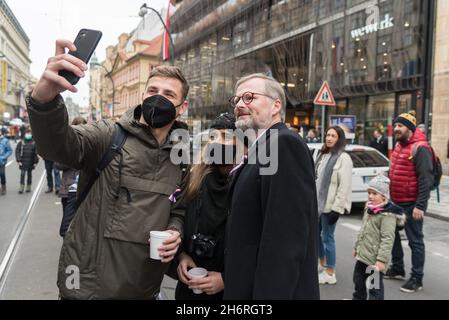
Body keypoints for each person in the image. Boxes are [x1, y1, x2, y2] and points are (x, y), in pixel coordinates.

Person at [26, 39, 189, 299]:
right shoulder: (109, 135)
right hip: (87, 289)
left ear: (183, 108)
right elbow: (58, 146)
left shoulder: (183, 156)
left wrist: (175, 231)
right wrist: (44, 100)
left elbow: (178, 209)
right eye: (152, 90)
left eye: (169, 95)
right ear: (143, 95)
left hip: (145, 290)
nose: (158, 98)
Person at [224, 73, 320, 300]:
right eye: (236, 100)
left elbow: (284, 244)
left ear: (276, 105)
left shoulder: (284, 144)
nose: (239, 104)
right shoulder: (262, 147)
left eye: (249, 97)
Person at [175, 113, 237, 300]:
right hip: (190, 289)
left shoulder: (247, 184)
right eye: (213, 136)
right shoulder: (195, 179)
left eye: (225, 137)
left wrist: (228, 279)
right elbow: (179, 217)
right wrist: (182, 255)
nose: (216, 142)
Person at [386, 111, 434, 293]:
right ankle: (398, 267)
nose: (397, 129)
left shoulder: (420, 148)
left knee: (415, 241)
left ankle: (416, 278)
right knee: (391, 235)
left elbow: (426, 179)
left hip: (412, 203)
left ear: (410, 129)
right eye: (396, 125)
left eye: (401, 126)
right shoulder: (399, 145)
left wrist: (420, 205)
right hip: (396, 200)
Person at [352, 175, 405, 300]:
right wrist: (356, 246)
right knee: (358, 280)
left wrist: (381, 260)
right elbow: (363, 230)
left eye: (375, 193)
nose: (370, 196)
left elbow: (388, 239)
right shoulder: (369, 209)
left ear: (384, 196)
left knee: (374, 288)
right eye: (369, 193)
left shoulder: (387, 215)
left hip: (375, 261)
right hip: (363, 256)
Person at [315, 125, 353, 285]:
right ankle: (322, 263)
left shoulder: (343, 158)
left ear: (340, 139)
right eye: (328, 135)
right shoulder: (322, 155)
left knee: (327, 238)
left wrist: (337, 209)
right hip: (316, 205)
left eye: (333, 136)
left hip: (330, 206)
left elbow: (344, 186)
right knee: (315, 237)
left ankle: (330, 272)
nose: (329, 138)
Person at [54, 116, 87, 237]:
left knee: (77, 225)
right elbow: (58, 165)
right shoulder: (65, 144)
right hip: (67, 190)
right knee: (66, 226)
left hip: (83, 190)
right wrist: (72, 156)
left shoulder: (90, 143)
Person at [15, 128, 39, 194]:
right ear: (25, 134)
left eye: (29, 133)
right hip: (22, 161)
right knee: (22, 174)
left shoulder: (34, 142)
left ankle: (28, 187)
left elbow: (36, 153)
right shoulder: (21, 142)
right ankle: (21, 187)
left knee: (29, 174)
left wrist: (35, 162)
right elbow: (17, 151)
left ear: (31, 134)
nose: (28, 135)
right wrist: (18, 160)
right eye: (27, 133)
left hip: (31, 162)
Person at [0, 127, 13, 195]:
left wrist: (4, 157)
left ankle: (3, 186)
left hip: (1, 161)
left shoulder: (5, 140)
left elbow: (10, 150)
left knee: (2, 173)